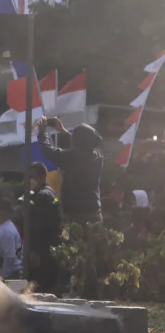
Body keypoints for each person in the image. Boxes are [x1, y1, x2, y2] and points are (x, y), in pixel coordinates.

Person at [38, 118, 105, 295]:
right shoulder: (97, 156)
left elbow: (48, 150)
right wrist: (64, 132)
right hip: (94, 213)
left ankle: (64, 288)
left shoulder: (71, 157)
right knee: (88, 256)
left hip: (75, 214)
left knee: (67, 253)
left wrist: (42, 131)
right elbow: (82, 146)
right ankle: (91, 293)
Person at [24, 162, 65, 295]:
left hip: (43, 252)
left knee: (39, 287)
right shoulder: (48, 193)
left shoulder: (43, 196)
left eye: (33, 176)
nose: (30, 180)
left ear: (42, 177)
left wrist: (35, 252)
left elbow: (38, 226)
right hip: (49, 250)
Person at [0, 204, 24, 281]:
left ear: (4, 213)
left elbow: (10, 256)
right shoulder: (2, 226)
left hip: (11, 274)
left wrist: (3, 276)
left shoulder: (7, 231)